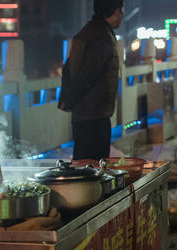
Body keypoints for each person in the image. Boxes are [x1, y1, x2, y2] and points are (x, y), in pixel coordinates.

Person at [58, 0, 124, 160]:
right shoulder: (101, 37)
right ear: (115, 12)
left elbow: (71, 69)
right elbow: (86, 74)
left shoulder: (91, 31)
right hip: (93, 117)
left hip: (88, 114)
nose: (122, 16)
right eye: (121, 11)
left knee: (86, 165)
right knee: (91, 167)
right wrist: (71, 100)